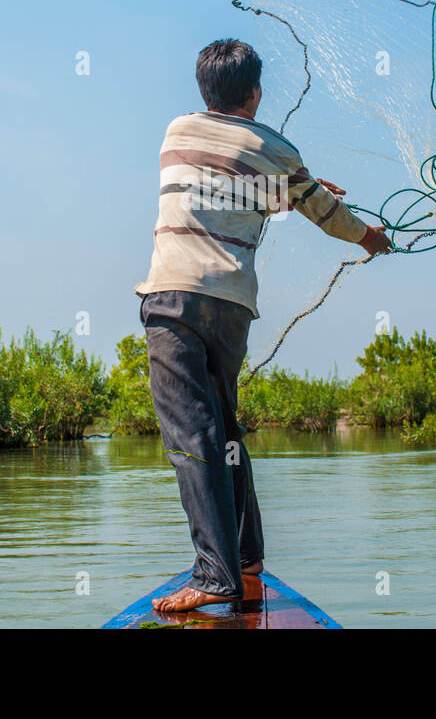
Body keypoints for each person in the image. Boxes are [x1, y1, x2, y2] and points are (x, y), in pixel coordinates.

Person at [135, 38, 391, 613]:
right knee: (222, 429)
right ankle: (245, 558)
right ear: (254, 93)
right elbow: (324, 214)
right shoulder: (276, 149)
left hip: (174, 297)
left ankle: (216, 574)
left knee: (190, 436)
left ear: (205, 91)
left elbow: (218, 180)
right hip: (230, 308)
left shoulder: (176, 131)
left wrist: (293, 186)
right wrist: (368, 238)